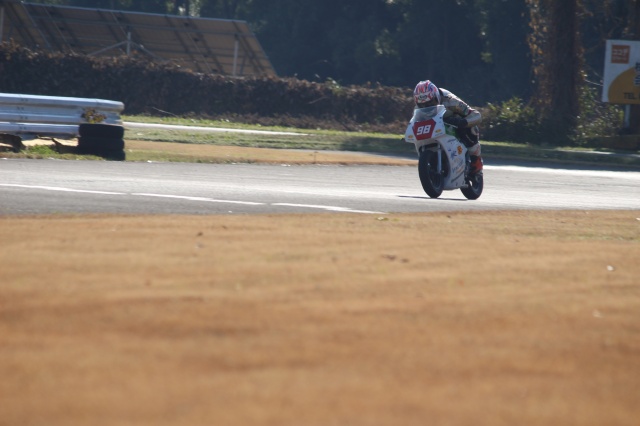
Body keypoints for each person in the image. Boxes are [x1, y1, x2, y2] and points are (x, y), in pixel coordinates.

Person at [413, 80, 483, 174]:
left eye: (430, 103)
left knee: (472, 129)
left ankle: (475, 160)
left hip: (454, 120)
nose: (426, 107)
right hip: (435, 125)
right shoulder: (417, 109)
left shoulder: (451, 101)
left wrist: (463, 122)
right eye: (422, 105)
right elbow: (414, 123)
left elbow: (476, 115)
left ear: (436, 97)